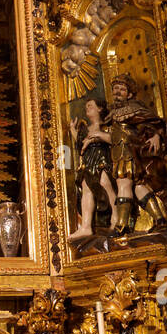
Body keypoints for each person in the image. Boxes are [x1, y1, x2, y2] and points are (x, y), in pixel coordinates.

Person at [103, 74, 167, 235]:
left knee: (123, 184)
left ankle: (122, 225)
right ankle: (161, 220)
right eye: (115, 89)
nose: (118, 92)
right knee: (139, 187)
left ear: (130, 93)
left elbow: (155, 122)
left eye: (122, 89)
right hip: (120, 152)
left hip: (129, 153)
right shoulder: (113, 112)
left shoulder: (134, 108)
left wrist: (157, 136)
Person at [69, 97, 117, 238]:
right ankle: (86, 226)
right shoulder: (85, 129)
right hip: (89, 160)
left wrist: (98, 134)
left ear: (100, 108)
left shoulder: (107, 125)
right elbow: (80, 144)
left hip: (103, 158)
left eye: (90, 105)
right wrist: (73, 130)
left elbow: (115, 139)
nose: (87, 108)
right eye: (86, 107)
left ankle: (117, 217)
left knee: (105, 184)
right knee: (86, 189)